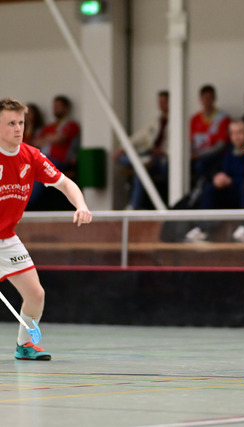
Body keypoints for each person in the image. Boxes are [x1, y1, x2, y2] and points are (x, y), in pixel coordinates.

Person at [0, 98, 92, 360]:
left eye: (21, 122)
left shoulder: (32, 156)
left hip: (7, 238)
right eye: (11, 123)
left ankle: (25, 345)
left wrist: (81, 205)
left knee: (35, 294)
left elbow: (66, 184)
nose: (18, 128)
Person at [114, 90, 169, 209]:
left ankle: (134, 204)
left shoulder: (176, 121)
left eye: (164, 101)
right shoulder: (156, 121)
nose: (161, 104)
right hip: (149, 153)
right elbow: (140, 136)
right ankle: (141, 160)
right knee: (121, 157)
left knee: (140, 169)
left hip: (162, 158)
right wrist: (123, 147)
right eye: (160, 102)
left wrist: (164, 152)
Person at [28, 95, 81, 210]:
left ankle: (26, 204)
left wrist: (47, 138)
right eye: (54, 106)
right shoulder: (49, 127)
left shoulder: (72, 125)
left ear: (66, 108)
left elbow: (61, 138)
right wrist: (51, 138)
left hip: (62, 162)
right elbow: (35, 141)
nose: (55, 109)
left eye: (58, 106)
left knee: (40, 172)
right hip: (45, 159)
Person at [190, 84, 231, 188]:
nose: (207, 101)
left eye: (210, 97)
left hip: (214, 156)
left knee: (200, 165)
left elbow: (221, 145)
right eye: (205, 98)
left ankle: (201, 189)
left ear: (214, 98)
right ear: (200, 99)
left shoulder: (223, 118)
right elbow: (190, 141)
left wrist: (199, 155)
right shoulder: (194, 119)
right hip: (195, 155)